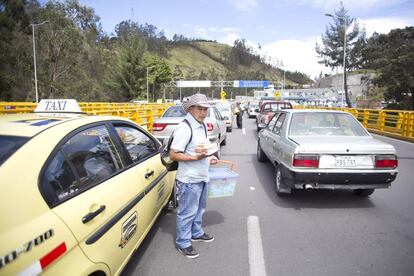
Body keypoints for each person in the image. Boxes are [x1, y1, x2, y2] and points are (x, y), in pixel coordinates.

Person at [169, 93, 219, 259]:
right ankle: (183, 242)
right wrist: (195, 158)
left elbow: (200, 149)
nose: (203, 112)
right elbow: (174, 154)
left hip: (202, 176)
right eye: (200, 108)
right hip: (189, 180)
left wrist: (209, 157)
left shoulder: (202, 125)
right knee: (187, 212)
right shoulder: (185, 128)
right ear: (190, 109)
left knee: (199, 209)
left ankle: (196, 233)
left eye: (205, 109)